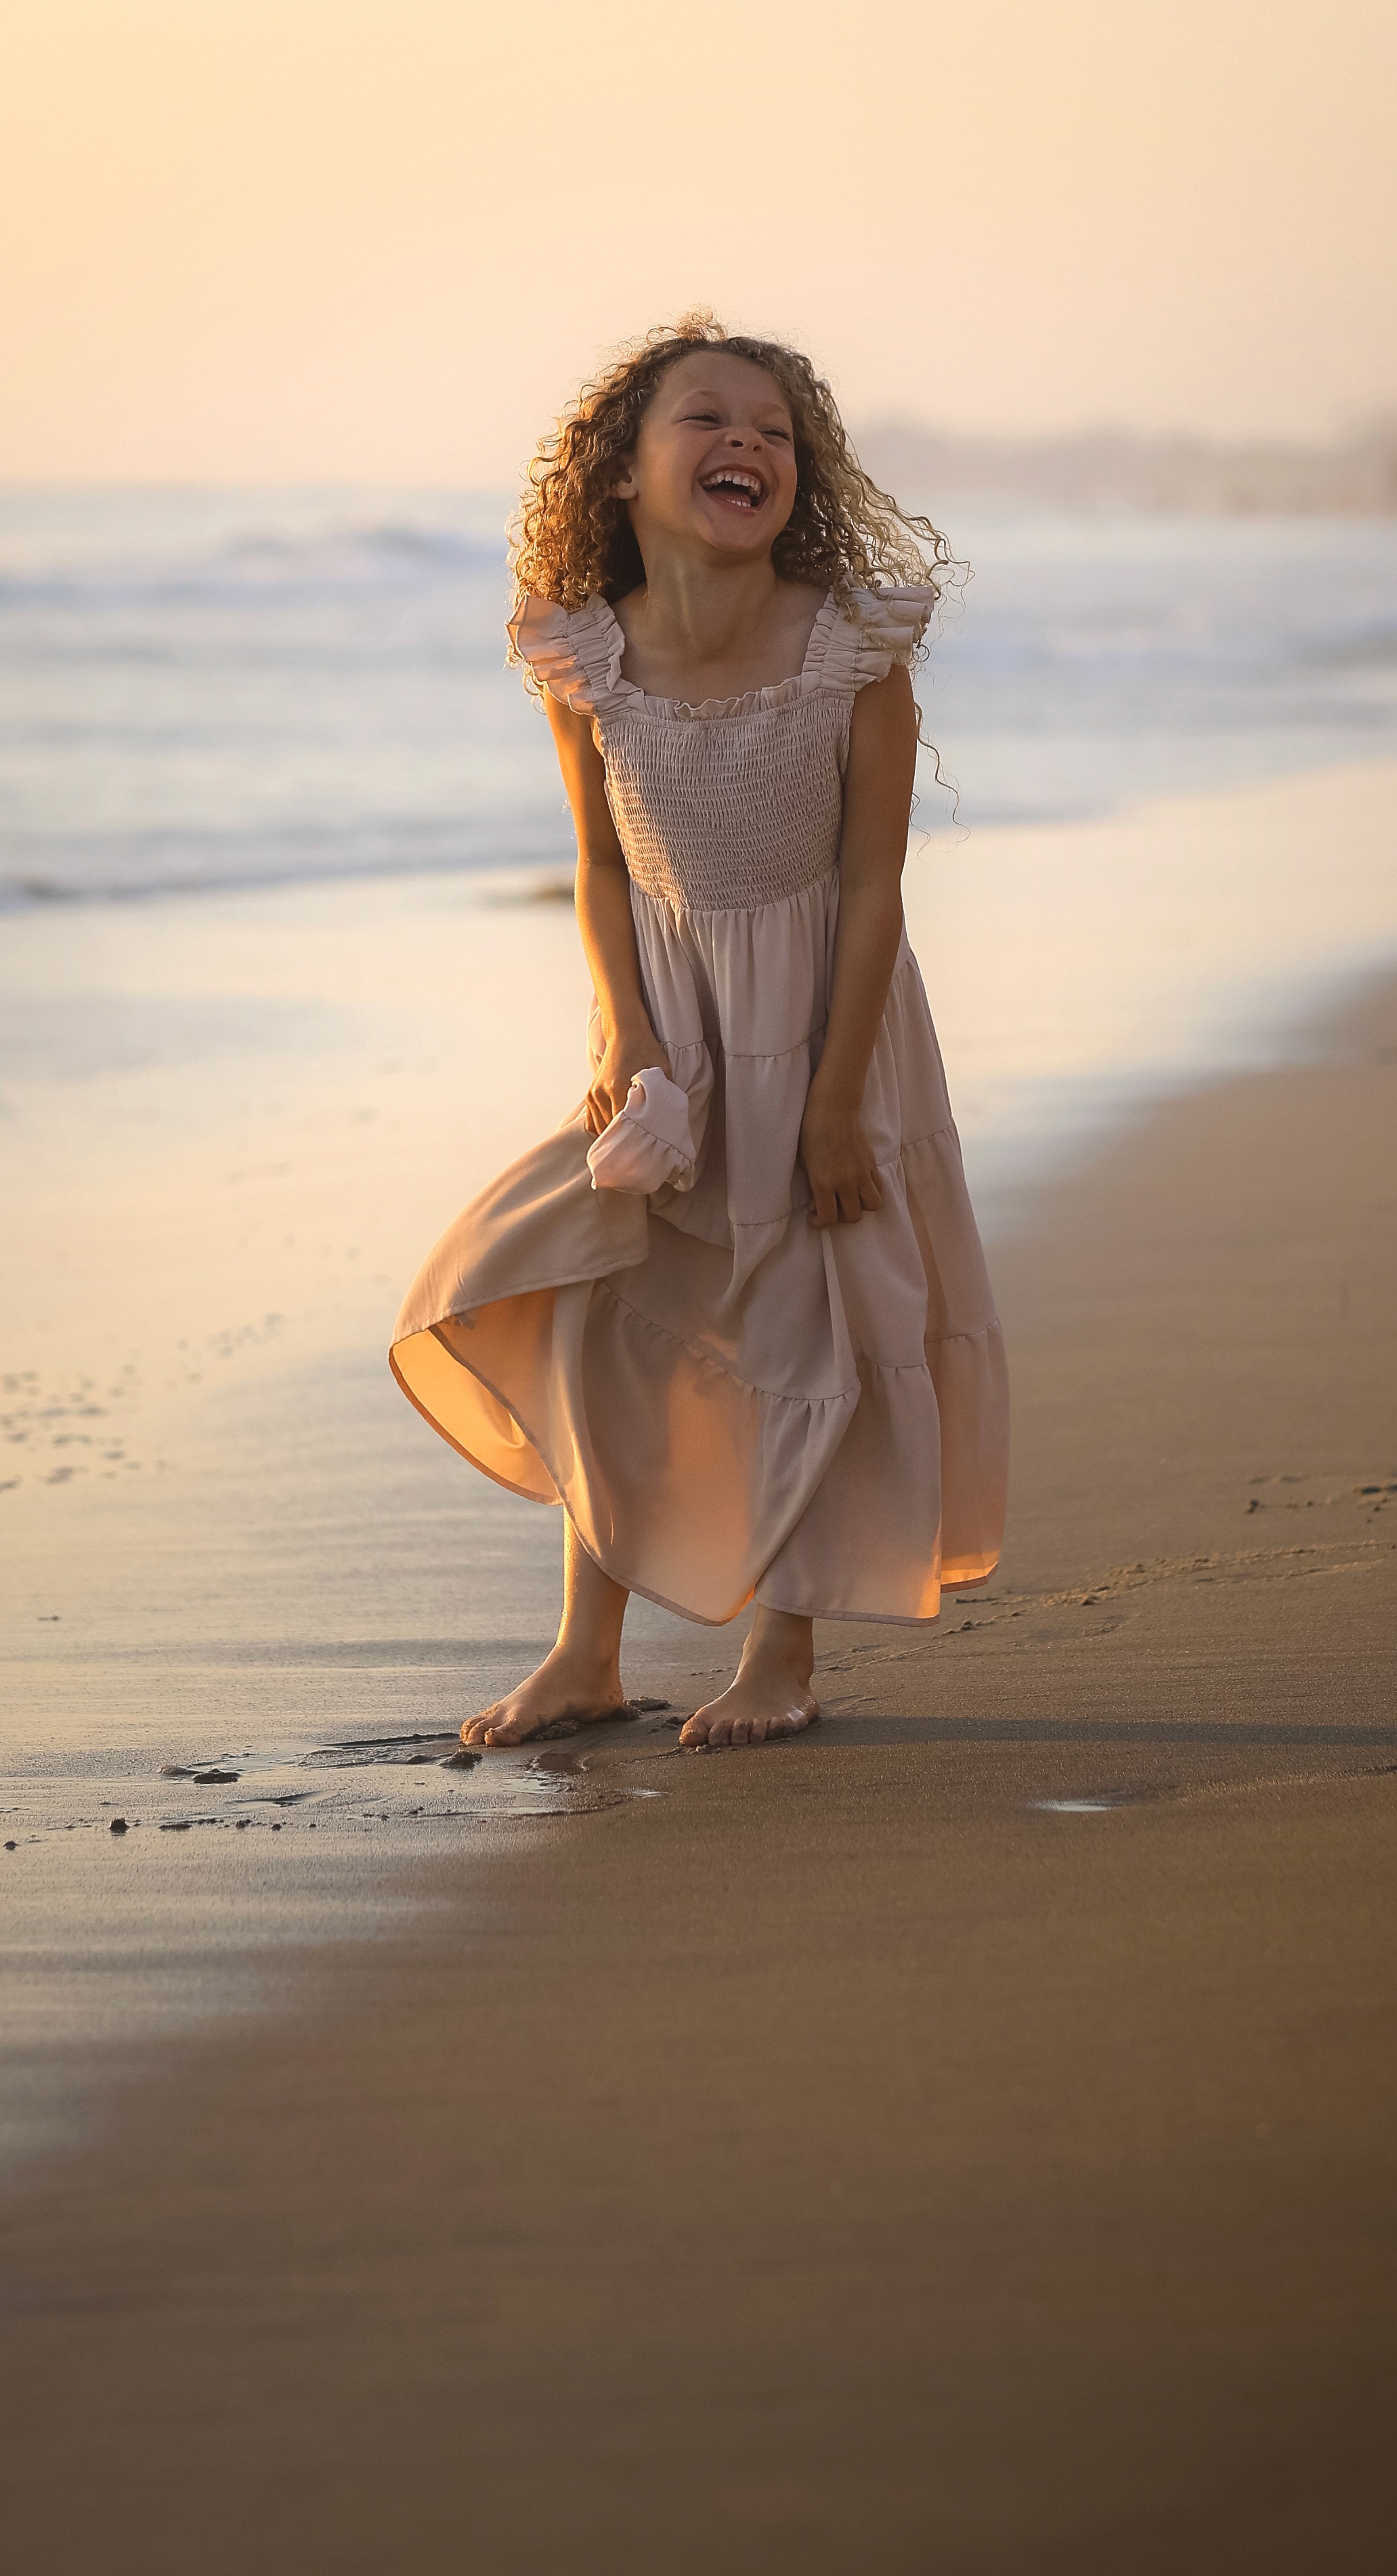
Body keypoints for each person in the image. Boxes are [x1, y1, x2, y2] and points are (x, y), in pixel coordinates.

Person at [391, 315, 1008, 1753]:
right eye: (709, 420)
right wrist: (623, 1038)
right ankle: (584, 1655)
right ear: (621, 472)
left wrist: (836, 1100)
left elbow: (874, 885)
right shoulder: (584, 659)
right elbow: (600, 866)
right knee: (600, 1310)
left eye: (775, 432)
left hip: (829, 1026)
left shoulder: (848, 650)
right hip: (667, 1036)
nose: (748, 443)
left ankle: (780, 1654)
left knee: (812, 1320)